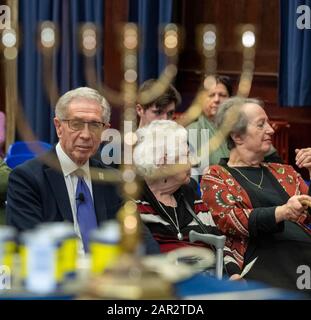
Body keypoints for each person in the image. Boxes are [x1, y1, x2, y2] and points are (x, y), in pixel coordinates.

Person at [6, 87, 159, 254]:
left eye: (94, 125)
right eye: (76, 124)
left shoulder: (111, 179)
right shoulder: (27, 178)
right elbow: (29, 244)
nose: (86, 135)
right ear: (58, 127)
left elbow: (140, 236)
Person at [201, 96, 311, 291]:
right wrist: (282, 212)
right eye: (261, 125)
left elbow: (308, 212)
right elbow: (231, 220)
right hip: (265, 261)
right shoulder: (215, 176)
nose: (271, 129)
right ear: (237, 136)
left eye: (268, 123)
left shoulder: (284, 171)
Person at [133, 120, 238, 275]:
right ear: (164, 163)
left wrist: (233, 274)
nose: (194, 162)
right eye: (187, 155)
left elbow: (219, 241)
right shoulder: (134, 201)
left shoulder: (190, 194)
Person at [186, 75, 281, 173]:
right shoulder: (191, 132)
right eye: (211, 95)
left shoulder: (248, 126)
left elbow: (276, 165)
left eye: (222, 95)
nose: (216, 100)